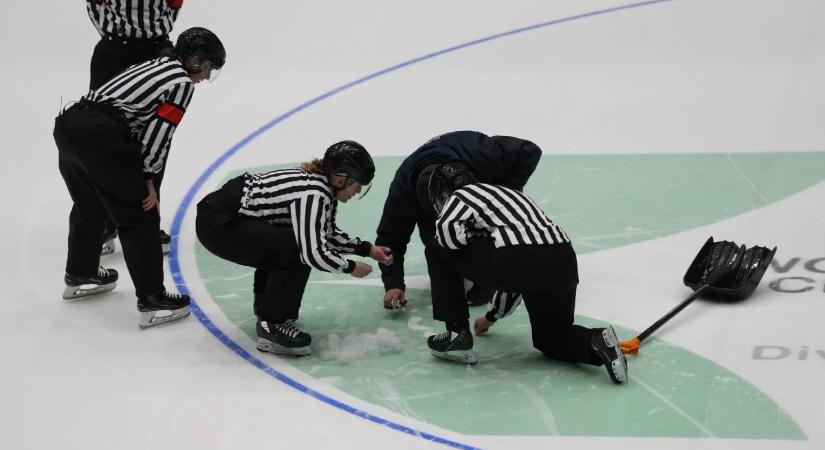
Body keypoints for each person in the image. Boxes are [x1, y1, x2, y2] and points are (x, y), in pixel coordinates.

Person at [54, 27, 226, 329]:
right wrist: (148, 178)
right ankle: (152, 298)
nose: (206, 76)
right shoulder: (181, 83)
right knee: (140, 215)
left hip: (70, 124)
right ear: (196, 60)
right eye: (209, 67)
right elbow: (159, 133)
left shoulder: (156, 63)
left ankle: (81, 272)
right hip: (102, 135)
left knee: (89, 204)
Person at [419, 163, 628, 383]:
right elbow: (514, 279)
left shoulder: (462, 195)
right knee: (551, 338)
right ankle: (596, 340)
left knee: (436, 247)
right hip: (563, 260)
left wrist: (465, 241)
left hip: (518, 258)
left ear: (442, 193)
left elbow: (448, 233)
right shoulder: (509, 196)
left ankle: (456, 334)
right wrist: (490, 317)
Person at [196, 141, 394, 356]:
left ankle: (271, 313)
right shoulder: (314, 194)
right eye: (357, 186)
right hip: (219, 223)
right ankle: (272, 324)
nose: (357, 192)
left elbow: (326, 233)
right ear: (340, 179)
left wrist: (368, 249)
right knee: (294, 250)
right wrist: (350, 267)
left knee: (289, 244)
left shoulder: (322, 187)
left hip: (222, 215)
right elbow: (313, 253)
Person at [375, 131, 542, 310]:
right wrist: (393, 284)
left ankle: (486, 275)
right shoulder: (403, 191)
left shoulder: (480, 154)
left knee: (490, 226)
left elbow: (530, 151)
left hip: (475, 177)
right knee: (437, 247)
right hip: (429, 206)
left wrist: (504, 193)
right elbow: (390, 239)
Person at [86, 0, 185, 256]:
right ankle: (104, 224)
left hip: (150, 51)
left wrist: (122, 35)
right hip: (118, 53)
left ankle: (145, 222)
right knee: (103, 139)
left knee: (155, 135)